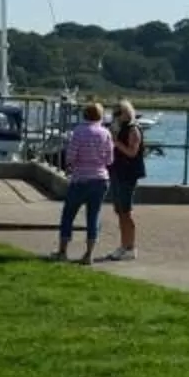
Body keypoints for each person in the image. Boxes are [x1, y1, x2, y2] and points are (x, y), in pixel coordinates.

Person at [55, 103, 114, 262]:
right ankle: (88, 254)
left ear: (85, 115)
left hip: (80, 178)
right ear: (100, 116)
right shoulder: (106, 133)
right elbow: (109, 159)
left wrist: (72, 166)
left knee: (68, 215)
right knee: (93, 216)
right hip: (101, 179)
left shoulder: (79, 132)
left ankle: (62, 252)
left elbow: (70, 156)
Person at [107, 101, 149, 261]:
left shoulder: (133, 130)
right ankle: (124, 245)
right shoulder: (120, 129)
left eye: (119, 113)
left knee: (126, 210)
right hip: (117, 171)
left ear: (127, 113)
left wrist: (116, 143)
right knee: (119, 211)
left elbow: (132, 152)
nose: (116, 116)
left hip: (128, 174)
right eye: (115, 113)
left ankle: (130, 247)